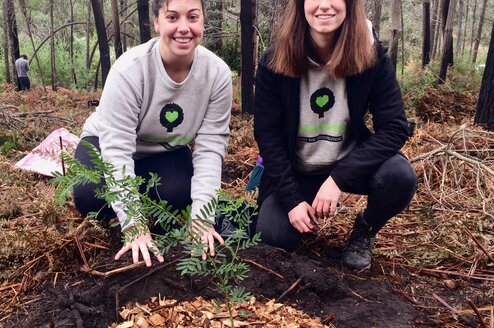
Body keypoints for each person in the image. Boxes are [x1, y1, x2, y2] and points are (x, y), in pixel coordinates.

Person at [253, 0, 417, 270]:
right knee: (273, 237)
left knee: (399, 177)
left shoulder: (371, 56)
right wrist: (293, 201)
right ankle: (303, 215)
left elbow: (394, 127)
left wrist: (338, 178)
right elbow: (268, 136)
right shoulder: (274, 60)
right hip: (298, 170)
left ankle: (364, 231)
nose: (324, 6)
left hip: (347, 164)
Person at [73, 0, 232, 267]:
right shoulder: (130, 70)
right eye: (172, 17)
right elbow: (117, 149)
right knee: (91, 198)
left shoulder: (217, 74)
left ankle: (138, 193)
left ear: (203, 21)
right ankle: (125, 200)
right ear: (157, 21)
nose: (184, 28)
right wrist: (134, 224)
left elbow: (210, 148)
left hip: (165, 151)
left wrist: (202, 218)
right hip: (104, 144)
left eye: (193, 17)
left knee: (181, 197)